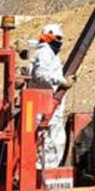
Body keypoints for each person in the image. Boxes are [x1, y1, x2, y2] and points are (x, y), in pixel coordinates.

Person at [29, 24, 69, 168]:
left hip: (49, 104)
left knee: (52, 140)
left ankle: (47, 170)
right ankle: (44, 172)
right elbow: (41, 74)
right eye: (57, 38)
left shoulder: (50, 54)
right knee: (49, 140)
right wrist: (61, 80)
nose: (59, 42)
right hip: (45, 105)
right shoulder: (45, 52)